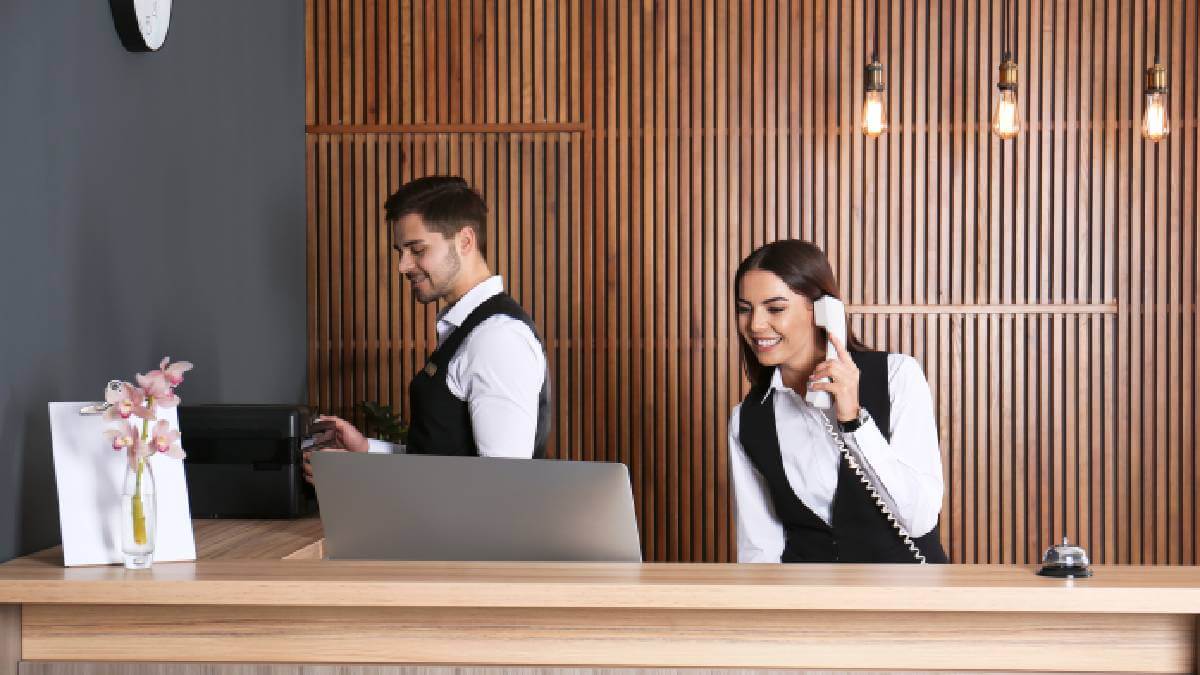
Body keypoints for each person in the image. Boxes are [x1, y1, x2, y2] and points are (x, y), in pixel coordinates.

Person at [304, 176, 549, 479]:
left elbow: (503, 485)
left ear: (465, 241)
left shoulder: (496, 338)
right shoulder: (469, 330)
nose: (402, 266)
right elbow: (441, 460)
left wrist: (365, 482)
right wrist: (366, 453)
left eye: (417, 250)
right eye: (400, 252)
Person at [729, 240, 947, 563]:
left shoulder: (897, 376)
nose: (756, 325)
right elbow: (759, 549)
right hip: (810, 606)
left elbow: (920, 518)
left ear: (821, 311)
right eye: (745, 309)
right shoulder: (747, 420)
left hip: (908, 600)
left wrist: (854, 422)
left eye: (775, 308)